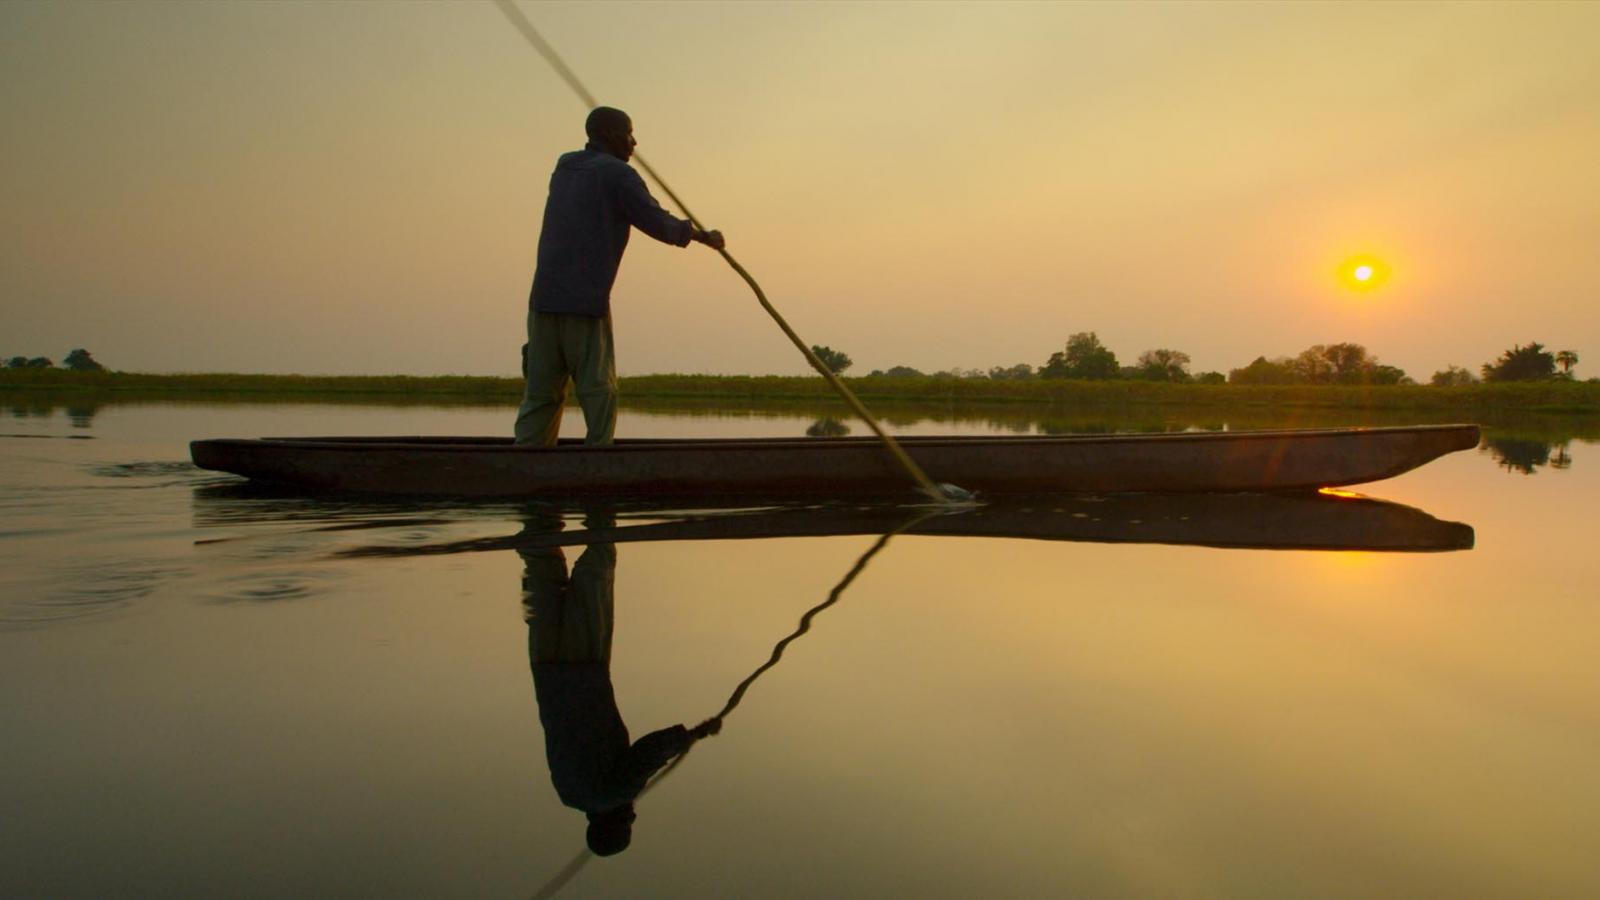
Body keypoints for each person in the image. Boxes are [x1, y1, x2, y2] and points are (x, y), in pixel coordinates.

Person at [514, 106, 725, 446]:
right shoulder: (618, 176)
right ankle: (598, 461)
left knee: (540, 394)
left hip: (542, 302)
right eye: (629, 134)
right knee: (599, 392)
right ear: (611, 136)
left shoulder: (564, 166)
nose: (634, 142)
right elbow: (657, 221)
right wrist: (703, 236)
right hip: (584, 304)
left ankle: (526, 460)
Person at [519, 508, 719, 856]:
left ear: (615, 824)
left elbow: (647, 754)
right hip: (544, 668)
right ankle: (541, 504)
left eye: (628, 824)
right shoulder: (567, 795)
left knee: (598, 565)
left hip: (584, 668)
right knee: (542, 566)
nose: (633, 817)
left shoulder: (614, 795)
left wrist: (692, 735)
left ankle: (598, 499)